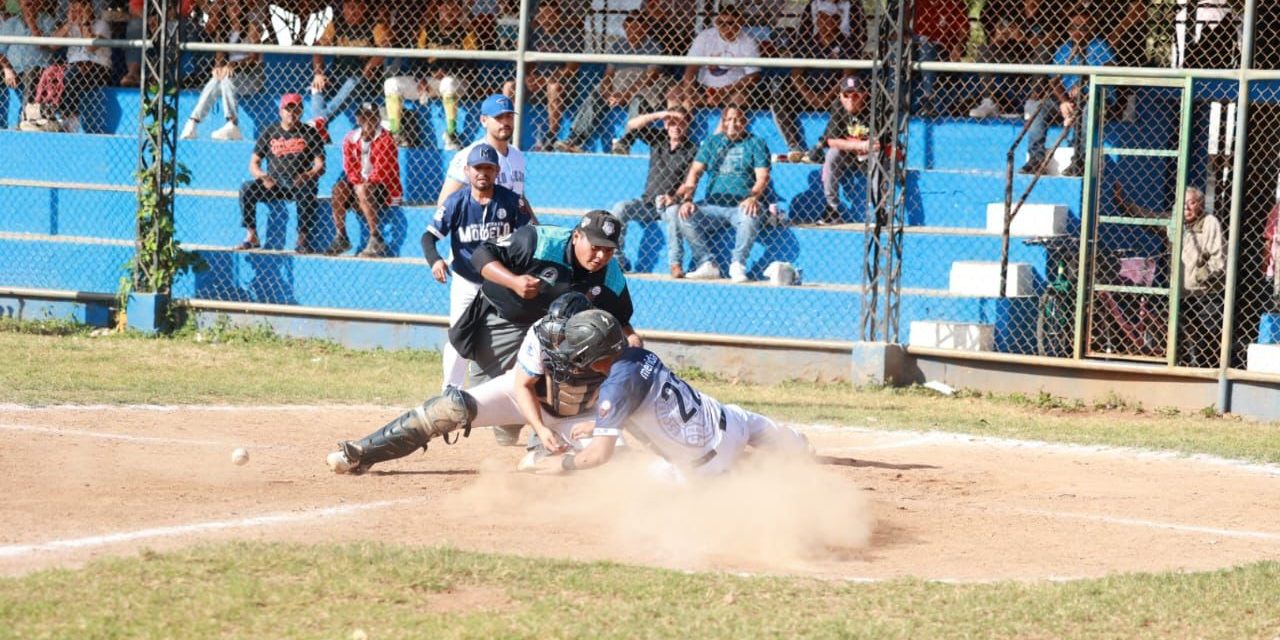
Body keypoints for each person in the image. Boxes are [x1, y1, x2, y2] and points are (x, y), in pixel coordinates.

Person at [325, 293, 610, 475]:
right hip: (526, 397)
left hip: (582, 415)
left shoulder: (608, 341)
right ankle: (362, 453)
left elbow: (628, 401)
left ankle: (549, 456)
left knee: (612, 466)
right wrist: (540, 428)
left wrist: (599, 429)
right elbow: (523, 385)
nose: (557, 341)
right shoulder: (540, 332)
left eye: (565, 336)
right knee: (450, 408)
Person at [519, 310, 811, 478]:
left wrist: (565, 464)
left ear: (592, 357)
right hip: (731, 422)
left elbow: (598, 455)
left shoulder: (613, 389)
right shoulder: (638, 355)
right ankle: (798, 447)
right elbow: (642, 402)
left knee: (640, 487)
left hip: (706, 467)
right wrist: (600, 423)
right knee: (750, 421)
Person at [450, 210, 643, 445]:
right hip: (505, 319)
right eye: (595, 247)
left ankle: (541, 439)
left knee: (556, 370)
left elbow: (621, 319)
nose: (601, 256)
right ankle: (508, 420)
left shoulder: (610, 275)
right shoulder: (539, 241)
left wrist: (632, 338)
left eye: (609, 250)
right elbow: (480, 255)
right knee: (483, 398)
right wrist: (514, 281)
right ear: (576, 236)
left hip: (554, 333)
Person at [424, 142, 531, 390]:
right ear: (467, 171)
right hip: (466, 279)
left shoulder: (512, 202)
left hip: (501, 281)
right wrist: (435, 260)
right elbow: (428, 237)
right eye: (477, 167)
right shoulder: (455, 203)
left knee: (509, 334)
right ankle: (451, 391)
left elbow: (528, 238)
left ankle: (506, 390)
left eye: (488, 168)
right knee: (459, 334)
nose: (482, 172)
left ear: (496, 172)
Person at [1114, 184, 1226, 367]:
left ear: (1200, 204)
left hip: (1204, 293)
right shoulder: (1174, 224)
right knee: (1182, 333)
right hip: (1180, 292)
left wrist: (1200, 276)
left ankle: (1210, 370)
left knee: (1207, 338)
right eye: (1183, 204)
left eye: (1192, 203)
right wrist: (1122, 201)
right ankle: (1184, 365)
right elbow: (1145, 216)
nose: (1187, 208)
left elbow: (1219, 260)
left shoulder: (1209, 223)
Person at [674, 105, 771, 283]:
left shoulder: (755, 143)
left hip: (741, 205)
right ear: (723, 122)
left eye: (738, 119)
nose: (733, 124)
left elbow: (762, 177)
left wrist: (753, 197)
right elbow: (695, 172)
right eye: (729, 119)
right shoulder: (712, 142)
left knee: (751, 214)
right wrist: (688, 199)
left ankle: (738, 264)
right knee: (683, 214)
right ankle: (706, 264)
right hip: (712, 205)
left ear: (745, 121)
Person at [553, 11, 665, 154]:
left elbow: (650, 78)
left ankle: (625, 142)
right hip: (616, 88)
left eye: (637, 28)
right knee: (595, 94)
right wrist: (607, 91)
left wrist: (626, 95)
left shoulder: (653, 47)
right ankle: (575, 139)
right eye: (629, 28)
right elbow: (608, 74)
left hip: (640, 89)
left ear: (645, 28)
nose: (632, 32)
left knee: (639, 99)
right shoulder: (618, 46)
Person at [1021, 10, 1113, 177]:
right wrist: (1063, 102)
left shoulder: (1099, 47)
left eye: (1083, 28)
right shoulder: (1065, 49)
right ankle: (1036, 159)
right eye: (1072, 27)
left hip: (1094, 98)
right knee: (1037, 107)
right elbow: (1054, 80)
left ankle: (1080, 161)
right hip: (1068, 99)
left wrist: (1086, 85)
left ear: (1092, 29)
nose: (1076, 32)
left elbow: (1108, 71)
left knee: (1087, 110)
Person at [607, 107, 697, 277]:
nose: (676, 127)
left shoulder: (691, 149)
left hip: (669, 203)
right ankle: (618, 261)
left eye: (681, 123)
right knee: (620, 208)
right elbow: (632, 124)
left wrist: (674, 197)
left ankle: (675, 264)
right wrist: (661, 114)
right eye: (671, 123)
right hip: (647, 203)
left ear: (687, 125)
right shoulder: (658, 139)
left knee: (673, 213)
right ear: (665, 124)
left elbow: (688, 182)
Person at [382, 0, 479, 150]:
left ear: (460, 11)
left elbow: (471, 65)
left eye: (455, 7)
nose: (450, 10)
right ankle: (396, 133)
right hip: (430, 81)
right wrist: (420, 78)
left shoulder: (466, 32)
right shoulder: (428, 29)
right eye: (446, 6)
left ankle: (451, 134)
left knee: (448, 83)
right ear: (439, 8)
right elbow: (416, 59)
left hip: (457, 81)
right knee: (391, 84)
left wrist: (447, 70)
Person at [237, 93, 326, 253]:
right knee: (246, 189)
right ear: (280, 111)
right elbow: (253, 164)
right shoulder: (270, 132)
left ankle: (302, 239)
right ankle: (251, 235)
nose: (292, 113)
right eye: (288, 109)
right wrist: (263, 176)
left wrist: (307, 175)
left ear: (301, 111)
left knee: (307, 191)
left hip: (299, 183)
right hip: (274, 184)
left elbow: (320, 165)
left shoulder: (310, 133)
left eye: (296, 109)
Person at [770, 0, 858, 161]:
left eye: (832, 18)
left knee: (845, 100)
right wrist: (811, 96)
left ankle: (819, 147)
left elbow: (847, 76)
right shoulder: (807, 42)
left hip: (832, 95)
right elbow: (796, 75)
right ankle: (794, 146)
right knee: (778, 98)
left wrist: (824, 98)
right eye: (822, 18)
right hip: (807, 93)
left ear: (838, 21)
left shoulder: (847, 43)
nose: (826, 22)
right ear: (817, 19)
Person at [325, 102, 403, 258]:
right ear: (358, 119)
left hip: (383, 188)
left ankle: (376, 237)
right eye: (364, 117)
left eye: (373, 117)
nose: (368, 121)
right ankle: (341, 236)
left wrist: (361, 185)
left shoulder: (386, 139)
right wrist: (357, 183)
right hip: (359, 186)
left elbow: (382, 171)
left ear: (378, 119)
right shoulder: (350, 139)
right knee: (338, 189)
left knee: (363, 189)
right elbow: (349, 168)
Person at [179, 0, 264, 142]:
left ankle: (232, 123)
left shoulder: (252, 27)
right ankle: (193, 122)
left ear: (244, 7)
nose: (235, 8)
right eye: (230, 5)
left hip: (252, 77)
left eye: (238, 4)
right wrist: (217, 69)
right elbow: (219, 60)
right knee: (218, 78)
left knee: (226, 77)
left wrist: (234, 65)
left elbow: (254, 59)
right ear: (226, 9)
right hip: (230, 77)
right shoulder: (224, 30)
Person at [309, 0, 390, 144]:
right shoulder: (336, 24)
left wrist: (370, 66)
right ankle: (320, 127)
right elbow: (318, 48)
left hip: (364, 78)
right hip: (339, 74)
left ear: (364, 7)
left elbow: (385, 47)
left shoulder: (374, 25)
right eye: (348, 6)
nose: (351, 11)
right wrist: (318, 73)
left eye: (356, 7)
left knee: (353, 81)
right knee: (316, 86)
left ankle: (321, 120)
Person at [437, 94, 530, 213]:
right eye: (498, 117)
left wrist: (536, 228)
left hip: (513, 229)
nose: (505, 122)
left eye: (509, 116)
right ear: (484, 120)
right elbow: (444, 205)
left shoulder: (517, 155)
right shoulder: (468, 155)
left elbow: (520, 198)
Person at [672, 6, 760, 111]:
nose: (726, 27)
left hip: (732, 90)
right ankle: (677, 123)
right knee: (674, 92)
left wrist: (724, 91)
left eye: (731, 23)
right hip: (703, 88)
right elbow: (691, 68)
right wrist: (688, 97)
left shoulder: (748, 42)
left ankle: (730, 125)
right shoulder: (705, 36)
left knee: (739, 98)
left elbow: (753, 76)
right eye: (721, 23)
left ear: (740, 23)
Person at [812, 75, 871, 225]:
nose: (851, 99)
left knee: (878, 156)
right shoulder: (838, 105)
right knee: (832, 154)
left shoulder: (874, 108)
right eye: (846, 95)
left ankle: (881, 209)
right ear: (840, 95)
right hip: (850, 153)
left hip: (870, 155)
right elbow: (831, 141)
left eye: (856, 95)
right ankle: (832, 209)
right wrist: (861, 145)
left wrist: (850, 143)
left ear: (865, 94)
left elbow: (876, 144)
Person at [524, 0, 581, 150]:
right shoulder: (534, 35)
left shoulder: (570, 35)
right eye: (543, 15)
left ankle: (551, 135)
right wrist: (529, 76)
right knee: (509, 86)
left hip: (562, 85)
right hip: (538, 81)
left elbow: (572, 68)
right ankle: (509, 131)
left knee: (553, 86)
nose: (546, 18)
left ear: (558, 16)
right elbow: (528, 62)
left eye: (551, 15)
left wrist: (547, 80)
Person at [51, 0, 111, 134]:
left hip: (97, 68)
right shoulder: (70, 27)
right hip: (74, 67)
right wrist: (69, 24)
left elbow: (91, 47)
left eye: (80, 8)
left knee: (73, 74)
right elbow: (52, 45)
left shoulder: (101, 25)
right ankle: (57, 116)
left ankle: (69, 118)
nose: (76, 12)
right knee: (62, 73)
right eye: (73, 8)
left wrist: (84, 23)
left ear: (89, 8)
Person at [0, 0, 57, 124]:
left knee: (31, 71)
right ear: (19, 4)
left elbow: (44, 46)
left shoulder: (48, 21)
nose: (27, 2)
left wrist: (31, 21)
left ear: (38, 3)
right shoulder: (11, 22)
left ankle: (26, 118)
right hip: (14, 70)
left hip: (38, 69)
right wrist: (7, 68)